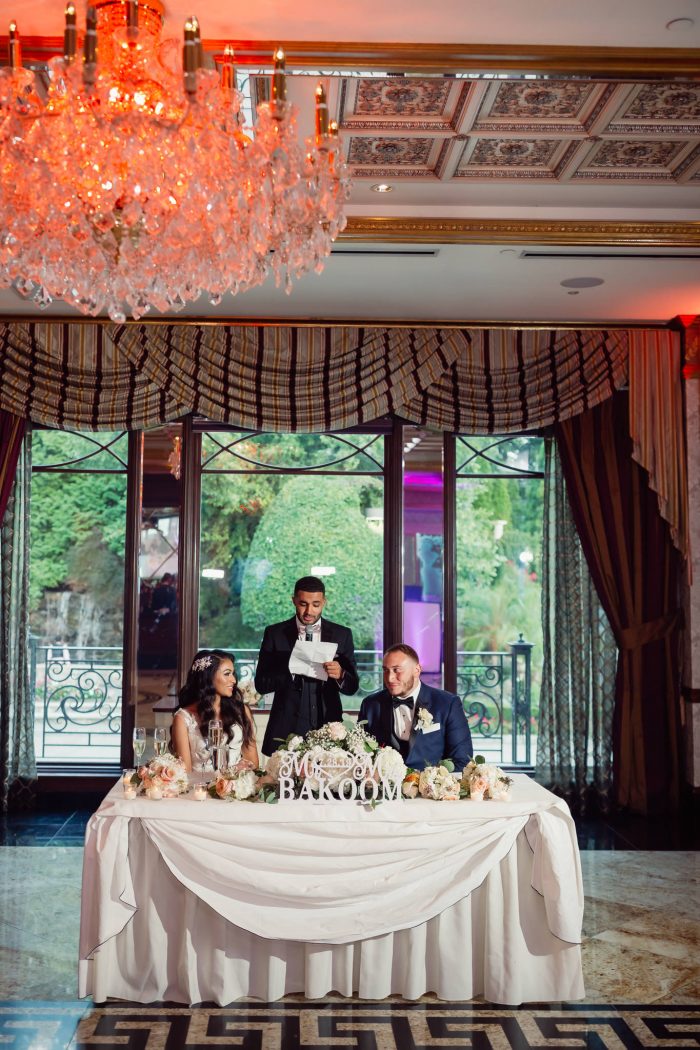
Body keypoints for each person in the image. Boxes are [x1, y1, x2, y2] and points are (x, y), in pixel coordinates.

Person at [255, 575, 359, 756]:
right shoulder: (274, 633)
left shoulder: (342, 635)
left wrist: (341, 674)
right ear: (293, 600)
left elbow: (352, 687)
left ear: (324, 602)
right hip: (286, 728)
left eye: (316, 604)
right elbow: (261, 684)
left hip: (328, 728)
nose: (309, 611)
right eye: (303, 604)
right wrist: (289, 668)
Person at [358, 643, 473, 771]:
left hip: (430, 788)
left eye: (397, 670)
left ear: (417, 670)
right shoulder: (370, 705)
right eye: (386, 670)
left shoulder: (448, 704)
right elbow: (361, 756)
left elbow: (462, 760)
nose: (390, 678)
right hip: (384, 788)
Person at [172, 648, 259, 773]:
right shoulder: (183, 718)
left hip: (237, 789)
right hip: (199, 789)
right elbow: (185, 773)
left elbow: (253, 763)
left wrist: (234, 779)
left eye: (233, 674)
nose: (233, 680)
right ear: (209, 676)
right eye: (227, 673)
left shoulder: (241, 711)